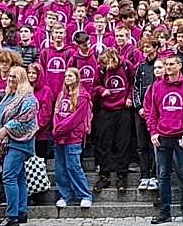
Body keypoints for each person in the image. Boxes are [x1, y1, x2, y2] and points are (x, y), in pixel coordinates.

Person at [144, 51, 183, 225]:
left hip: (182, 137)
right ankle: (164, 211)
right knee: (163, 175)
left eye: (171, 65)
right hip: (162, 136)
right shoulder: (158, 86)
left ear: (179, 66)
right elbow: (152, 112)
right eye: (166, 65)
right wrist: (153, 131)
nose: (168, 68)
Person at [0, 65, 40, 226]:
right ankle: (21, 211)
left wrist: (6, 129)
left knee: (9, 176)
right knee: (19, 178)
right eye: (9, 76)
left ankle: (11, 215)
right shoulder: (7, 96)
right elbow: (0, 117)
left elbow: (25, 119)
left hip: (20, 142)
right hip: (7, 142)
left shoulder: (28, 98)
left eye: (15, 77)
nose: (11, 79)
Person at [50, 67, 94, 210]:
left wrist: (60, 129)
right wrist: (56, 128)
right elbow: (56, 113)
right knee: (60, 168)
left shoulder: (83, 96)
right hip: (59, 137)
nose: (67, 78)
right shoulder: (62, 94)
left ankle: (84, 195)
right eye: (66, 75)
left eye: (71, 75)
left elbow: (76, 118)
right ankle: (65, 195)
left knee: (73, 166)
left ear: (77, 78)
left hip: (72, 137)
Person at [90, 48, 133, 193]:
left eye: (107, 62)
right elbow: (95, 85)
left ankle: (122, 175)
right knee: (104, 142)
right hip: (106, 110)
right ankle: (104, 175)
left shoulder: (126, 66)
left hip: (123, 109)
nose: (105, 65)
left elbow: (133, 84)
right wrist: (102, 90)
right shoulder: (101, 69)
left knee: (123, 143)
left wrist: (130, 98)